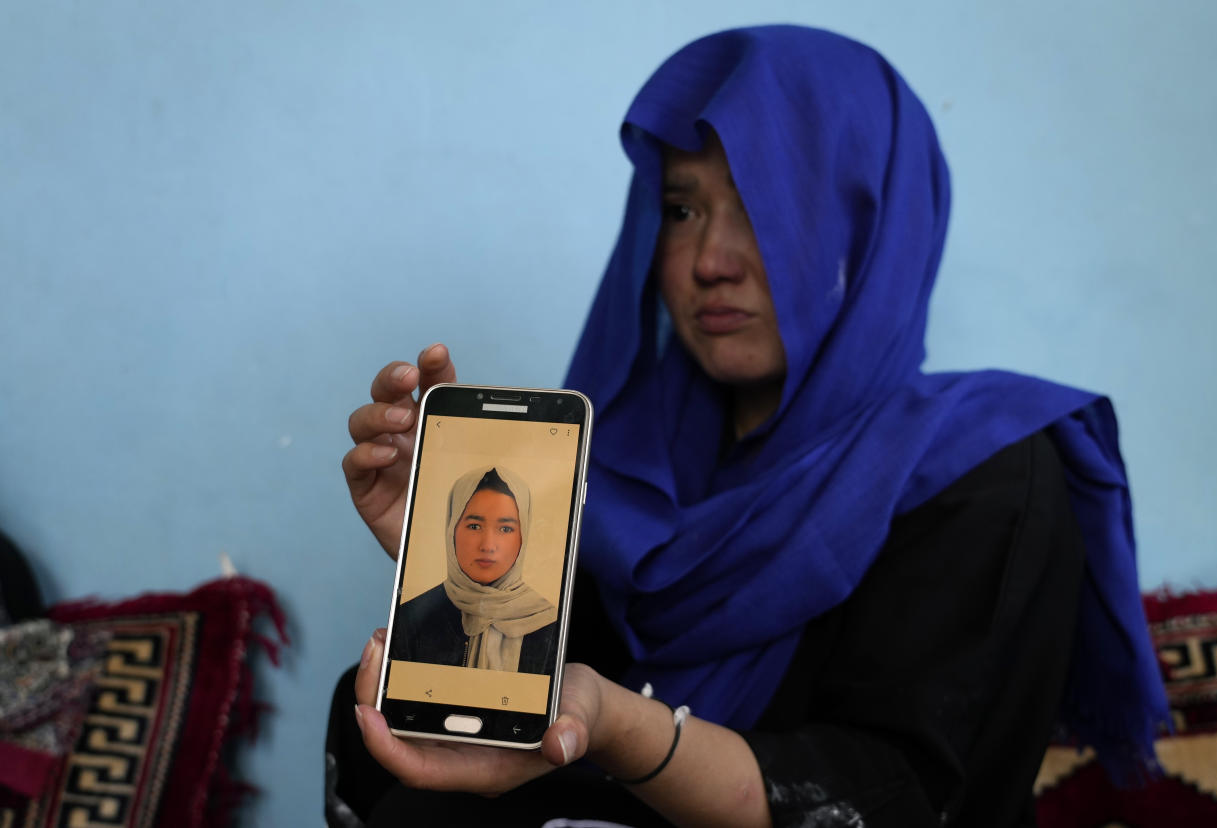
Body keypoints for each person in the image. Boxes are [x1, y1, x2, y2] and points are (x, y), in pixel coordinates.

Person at [332, 25, 1167, 827]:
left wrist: (623, 730)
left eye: (771, 207)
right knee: (369, 719)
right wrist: (453, 570)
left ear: (877, 228)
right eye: (681, 210)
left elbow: (895, 798)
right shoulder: (619, 469)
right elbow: (522, 718)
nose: (710, 261)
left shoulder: (983, 473)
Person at [388, 465, 557, 674]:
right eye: (474, 526)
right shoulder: (412, 618)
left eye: (505, 529)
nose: (487, 545)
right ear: (451, 529)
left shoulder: (549, 622)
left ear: (524, 535)